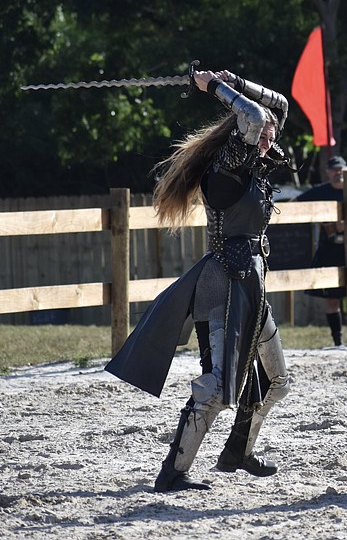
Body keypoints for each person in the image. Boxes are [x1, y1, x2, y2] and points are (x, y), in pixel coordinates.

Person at [105, 67, 294, 492]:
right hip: (223, 284)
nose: (269, 138)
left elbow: (277, 106)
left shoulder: (255, 158)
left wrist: (239, 82)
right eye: (263, 133)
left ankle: (238, 452)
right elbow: (255, 117)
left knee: (278, 380)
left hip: (252, 285)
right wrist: (215, 89)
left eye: (271, 135)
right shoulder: (230, 163)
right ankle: (173, 473)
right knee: (216, 389)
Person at [294, 156, 347, 346]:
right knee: (331, 300)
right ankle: (338, 342)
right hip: (329, 250)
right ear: (328, 172)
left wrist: (346, 225)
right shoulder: (320, 191)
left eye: (341, 169)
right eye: (334, 169)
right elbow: (294, 204)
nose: (338, 173)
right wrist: (322, 220)